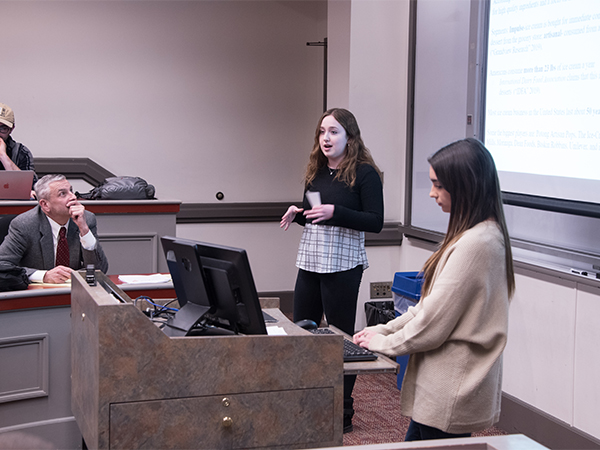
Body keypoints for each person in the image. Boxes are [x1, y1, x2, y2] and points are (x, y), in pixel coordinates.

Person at [353, 138, 515, 441]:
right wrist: (383, 330)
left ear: (465, 185)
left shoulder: (476, 244)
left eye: (439, 185)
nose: (432, 193)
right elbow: (426, 307)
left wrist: (384, 343)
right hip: (443, 385)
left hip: (450, 387)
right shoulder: (475, 236)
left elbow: (432, 324)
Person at [280, 108, 384, 433]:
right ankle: (308, 403)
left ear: (350, 137)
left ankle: (343, 412)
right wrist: (298, 213)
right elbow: (315, 215)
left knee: (340, 340)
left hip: (343, 264)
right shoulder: (317, 171)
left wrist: (336, 211)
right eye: (322, 132)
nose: (326, 138)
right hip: (311, 260)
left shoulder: (364, 173)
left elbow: (375, 221)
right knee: (303, 333)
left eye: (334, 132)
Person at [0, 174, 108, 284]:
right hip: (38, 294)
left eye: (71, 190)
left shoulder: (86, 219)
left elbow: (100, 270)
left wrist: (84, 229)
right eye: (63, 194)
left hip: (74, 294)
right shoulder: (24, 224)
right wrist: (43, 276)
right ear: (45, 204)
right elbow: (2, 265)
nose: (73, 197)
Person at [0, 102, 38, 187]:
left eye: (3, 128)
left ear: (11, 129)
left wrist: (3, 156)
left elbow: (28, 188)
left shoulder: (22, 152)